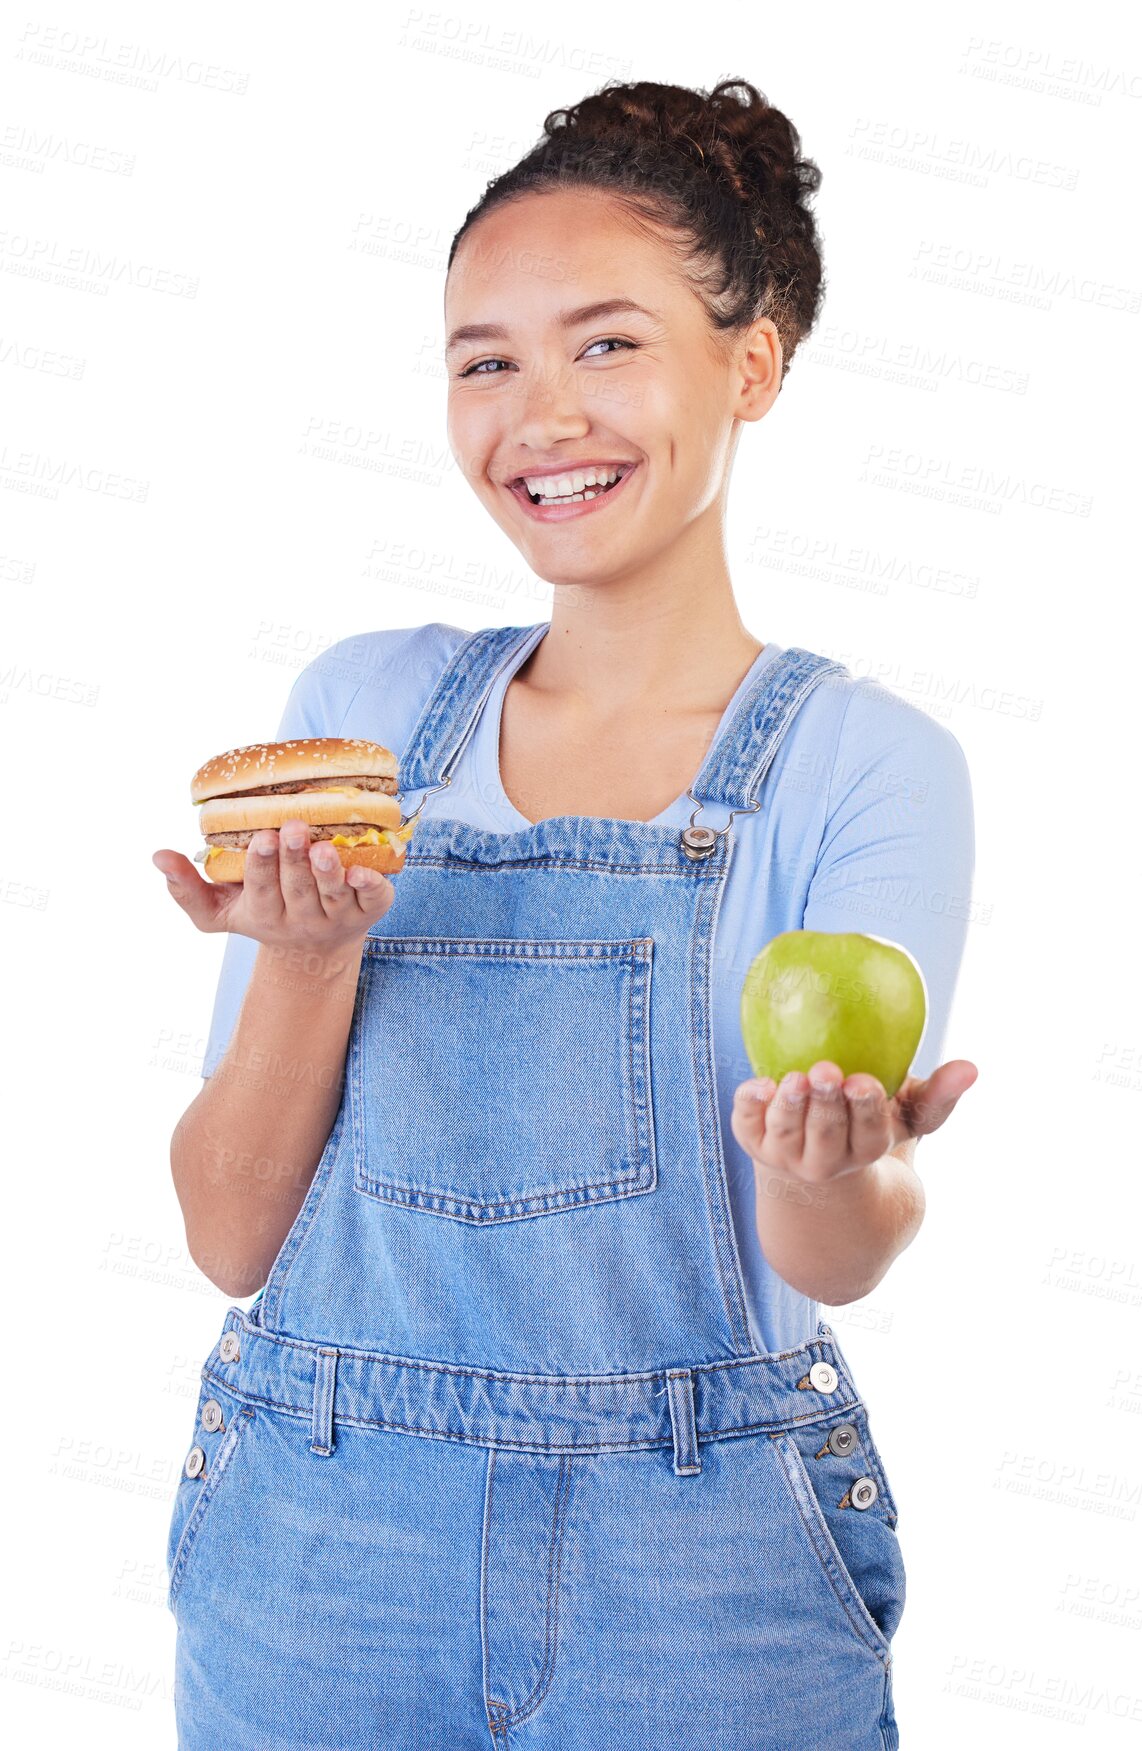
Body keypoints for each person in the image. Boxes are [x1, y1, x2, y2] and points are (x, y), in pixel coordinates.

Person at [152, 77, 976, 1750]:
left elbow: (829, 1252)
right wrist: (308, 965)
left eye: (607, 345)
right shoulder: (359, 719)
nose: (541, 414)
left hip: (705, 1551)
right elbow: (230, 1237)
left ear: (753, 361)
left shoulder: (860, 763)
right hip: (319, 1530)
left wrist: (840, 1166)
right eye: (486, 359)